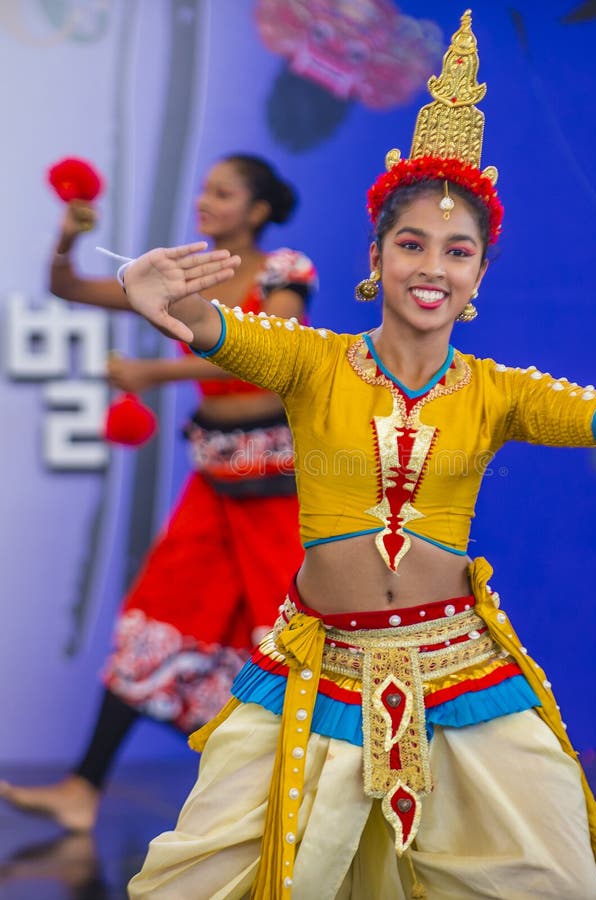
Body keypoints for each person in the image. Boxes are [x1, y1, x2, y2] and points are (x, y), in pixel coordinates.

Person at [120, 13, 596, 899]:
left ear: (479, 275)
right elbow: (217, 329)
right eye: (412, 244)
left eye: (458, 250)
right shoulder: (311, 360)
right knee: (202, 883)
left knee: (553, 877)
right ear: (376, 257)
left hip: (462, 674)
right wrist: (156, 296)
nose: (433, 266)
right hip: (315, 675)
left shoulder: (500, 389)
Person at [0, 154, 317, 832]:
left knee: (290, 644)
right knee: (153, 623)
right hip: (214, 488)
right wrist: (68, 233)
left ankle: (305, 808)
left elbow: (278, 356)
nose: (205, 200)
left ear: (258, 211)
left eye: (223, 192)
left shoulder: (283, 272)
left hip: (280, 494)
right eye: (203, 188)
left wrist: (153, 369)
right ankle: (83, 788)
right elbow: (67, 288)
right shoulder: (177, 280)